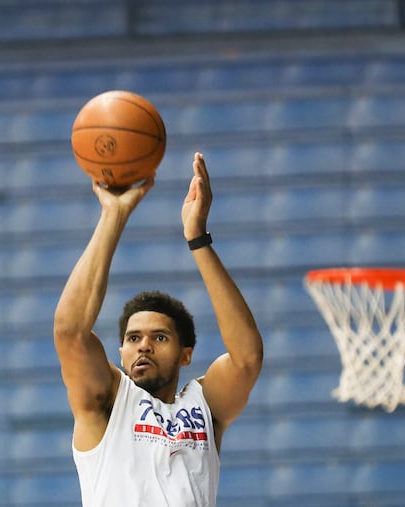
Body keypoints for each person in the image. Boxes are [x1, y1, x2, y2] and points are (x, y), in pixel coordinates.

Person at [53, 152, 264, 506]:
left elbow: (247, 358)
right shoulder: (107, 402)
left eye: (159, 337)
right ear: (120, 352)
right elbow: (69, 332)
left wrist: (197, 239)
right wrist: (114, 214)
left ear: (186, 355)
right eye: (133, 338)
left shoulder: (204, 406)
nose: (144, 346)